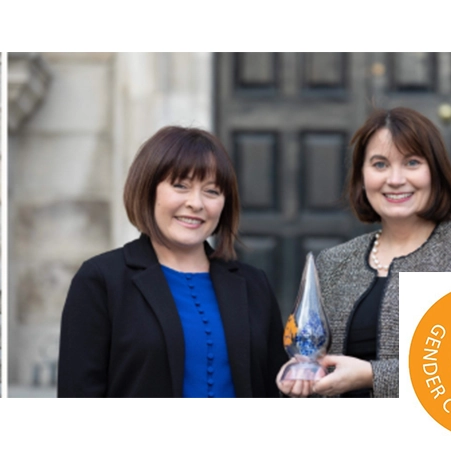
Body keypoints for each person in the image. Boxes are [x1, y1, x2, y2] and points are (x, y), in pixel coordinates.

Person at [278, 107, 451, 399]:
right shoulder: (333, 262)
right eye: (379, 165)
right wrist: (300, 378)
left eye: (412, 162)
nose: (395, 179)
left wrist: (372, 375)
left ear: (435, 172)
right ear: (362, 177)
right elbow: (316, 366)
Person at [58, 126, 287, 398]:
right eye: (181, 186)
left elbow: (276, 390)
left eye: (212, 191)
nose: (196, 203)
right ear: (148, 189)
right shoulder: (101, 280)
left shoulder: (254, 284)